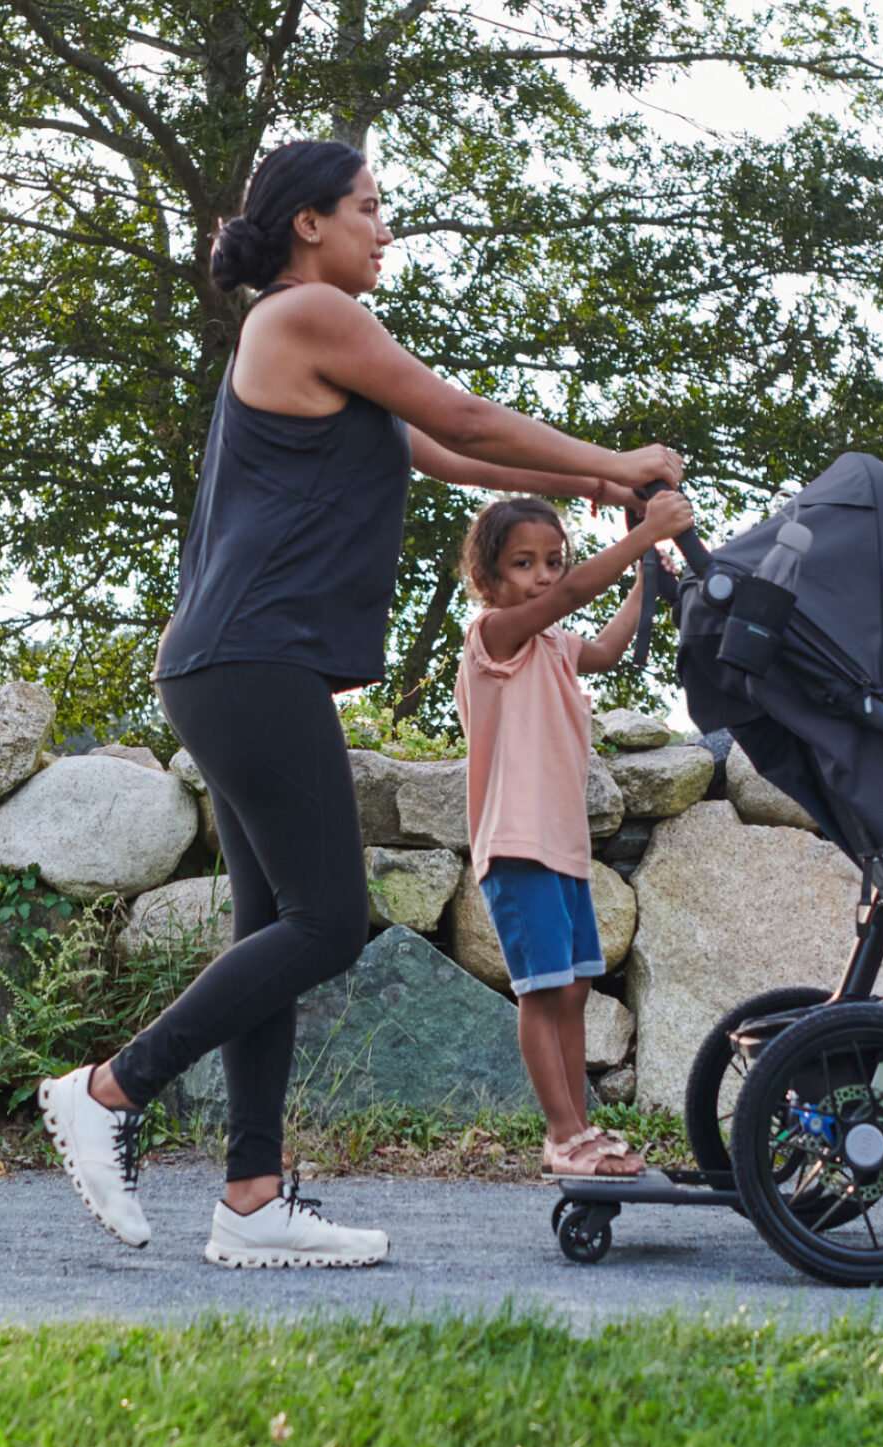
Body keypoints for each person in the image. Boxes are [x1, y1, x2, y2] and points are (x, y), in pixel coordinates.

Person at [36, 138, 686, 1269]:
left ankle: (250, 1198)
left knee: (271, 928)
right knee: (328, 921)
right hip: (250, 659)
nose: (384, 230)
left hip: (237, 663)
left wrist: (590, 483)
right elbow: (467, 412)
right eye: (369, 208)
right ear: (308, 225)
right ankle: (109, 1087)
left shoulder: (320, 345)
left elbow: (436, 446)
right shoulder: (304, 315)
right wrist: (623, 458)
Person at [453, 493, 692, 1179]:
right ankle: (561, 1133)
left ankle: (581, 1128)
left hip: (562, 846)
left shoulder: (556, 647)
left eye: (553, 561)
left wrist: (648, 576)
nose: (544, 575)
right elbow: (577, 593)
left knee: (577, 987)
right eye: (523, 563)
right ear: (489, 581)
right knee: (542, 987)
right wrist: (643, 532)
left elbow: (612, 647)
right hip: (517, 842)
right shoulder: (493, 638)